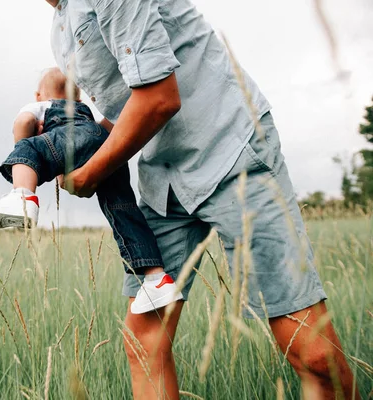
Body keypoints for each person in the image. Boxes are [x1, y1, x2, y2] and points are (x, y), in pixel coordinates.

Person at [43, 0, 360, 399]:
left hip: (231, 150)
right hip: (164, 173)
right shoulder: (60, 27)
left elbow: (159, 98)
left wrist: (90, 174)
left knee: (310, 353)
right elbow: (127, 104)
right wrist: (67, 151)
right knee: (145, 337)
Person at [0, 67, 183, 314]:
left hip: (70, 138)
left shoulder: (41, 106)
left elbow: (23, 122)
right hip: (104, 141)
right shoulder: (85, 111)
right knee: (123, 210)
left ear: (38, 95)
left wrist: (24, 144)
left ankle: (22, 196)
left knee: (28, 150)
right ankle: (157, 279)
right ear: (79, 98)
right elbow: (96, 134)